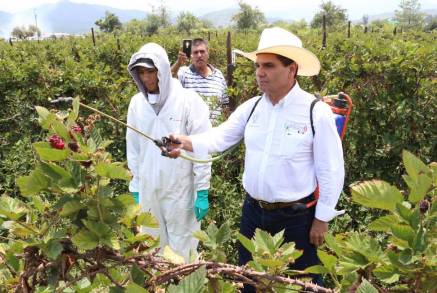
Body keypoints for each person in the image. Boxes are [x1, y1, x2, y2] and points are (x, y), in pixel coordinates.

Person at [165, 27, 344, 290]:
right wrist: (184, 142)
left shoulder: (315, 113)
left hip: (296, 220)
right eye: (258, 65)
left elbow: (331, 169)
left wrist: (322, 219)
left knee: (300, 284)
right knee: (249, 282)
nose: (260, 72)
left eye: (269, 66)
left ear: (291, 69)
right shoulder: (252, 108)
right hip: (253, 215)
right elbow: (219, 137)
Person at [126, 42, 212, 260]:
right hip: (148, 190)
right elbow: (134, 148)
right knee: (153, 250)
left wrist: (202, 189)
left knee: (182, 251)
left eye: (151, 72)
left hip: (180, 191)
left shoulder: (188, 101)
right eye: (141, 73)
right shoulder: (137, 104)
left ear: (162, 70)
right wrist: (136, 187)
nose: (146, 79)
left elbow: (202, 145)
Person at [171, 38, 229, 123]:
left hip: (215, 131)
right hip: (192, 133)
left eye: (202, 51)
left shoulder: (218, 75)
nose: (199, 55)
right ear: (191, 55)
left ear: (208, 54)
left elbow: (225, 105)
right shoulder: (184, 73)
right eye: (195, 52)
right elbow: (168, 80)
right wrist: (178, 63)